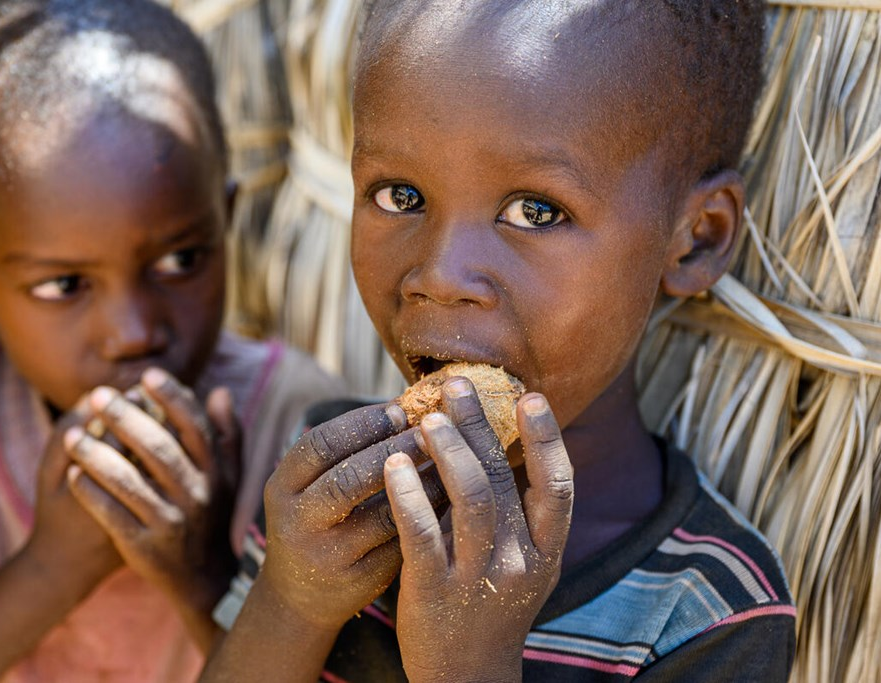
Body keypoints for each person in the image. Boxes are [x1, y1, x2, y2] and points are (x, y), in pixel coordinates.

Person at [201, 1, 797, 681]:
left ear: (696, 237)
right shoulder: (331, 492)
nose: (441, 274)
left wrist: (469, 665)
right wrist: (292, 601)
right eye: (400, 195)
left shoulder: (704, 609)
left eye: (534, 211)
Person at [0, 0, 344, 680]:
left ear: (224, 221)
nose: (133, 333)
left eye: (181, 261)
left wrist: (201, 573)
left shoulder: (299, 423)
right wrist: (58, 564)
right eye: (64, 285)